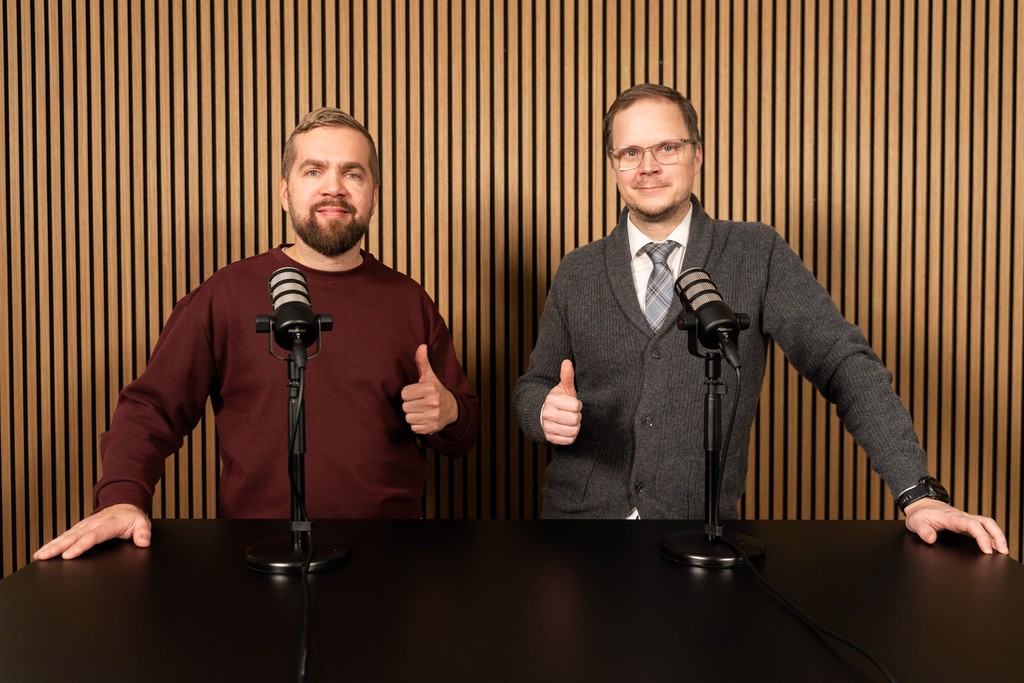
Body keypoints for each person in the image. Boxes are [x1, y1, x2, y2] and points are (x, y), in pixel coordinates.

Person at [512, 83, 1008, 554]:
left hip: (698, 535)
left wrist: (916, 491)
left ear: (697, 156)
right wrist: (541, 411)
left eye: (667, 147)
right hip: (578, 537)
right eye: (630, 152)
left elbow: (842, 362)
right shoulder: (578, 270)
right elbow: (532, 387)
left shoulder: (756, 253)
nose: (648, 167)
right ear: (613, 165)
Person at [35, 108, 480, 560]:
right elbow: (150, 409)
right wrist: (122, 498)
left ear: (374, 194)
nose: (334, 187)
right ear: (285, 192)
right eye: (314, 170)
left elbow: (465, 432)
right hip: (257, 557)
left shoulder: (408, 300)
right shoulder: (225, 295)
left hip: (389, 558)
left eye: (353, 173)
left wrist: (448, 415)